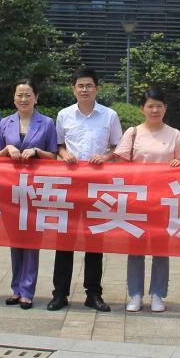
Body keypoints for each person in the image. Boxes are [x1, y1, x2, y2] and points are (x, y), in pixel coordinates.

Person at [51, 67, 121, 312]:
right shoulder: (64, 115)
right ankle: (60, 294)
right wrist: (64, 154)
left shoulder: (109, 115)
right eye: (80, 85)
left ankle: (93, 294)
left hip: (98, 187)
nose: (84, 89)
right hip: (69, 185)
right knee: (64, 240)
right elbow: (58, 145)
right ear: (73, 89)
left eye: (89, 85)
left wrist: (106, 157)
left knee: (94, 241)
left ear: (96, 89)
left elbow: (118, 147)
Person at [115, 86, 180, 314]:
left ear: (165, 108)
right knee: (135, 250)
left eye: (159, 106)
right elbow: (122, 165)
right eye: (150, 106)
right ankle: (135, 294)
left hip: (164, 201)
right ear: (142, 109)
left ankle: (157, 294)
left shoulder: (175, 135)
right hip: (137, 200)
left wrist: (178, 165)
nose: (155, 110)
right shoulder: (133, 132)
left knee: (160, 250)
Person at [0, 79, 58, 309]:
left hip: (35, 189)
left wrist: (37, 151)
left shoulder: (47, 123)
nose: (23, 99)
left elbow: (54, 156)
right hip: (10, 189)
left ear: (36, 98)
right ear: (13, 98)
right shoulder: (5, 123)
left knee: (31, 240)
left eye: (28, 95)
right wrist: (7, 149)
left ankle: (27, 290)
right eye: (19, 95)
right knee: (15, 239)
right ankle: (16, 289)